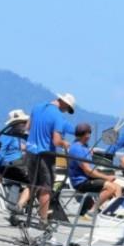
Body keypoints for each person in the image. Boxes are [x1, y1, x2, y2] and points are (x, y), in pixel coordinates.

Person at [25, 93, 75, 225]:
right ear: (64, 103)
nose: (66, 111)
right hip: (45, 155)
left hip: (30, 151)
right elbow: (56, 141)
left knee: (32, 184)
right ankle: (43, 220)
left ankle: (18, 206)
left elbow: (27, 127)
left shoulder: (37, 107)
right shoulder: (58, 116)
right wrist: (65, 143)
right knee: (45, 187)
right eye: (67, 108)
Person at [68, 123, 122, 215]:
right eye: (89, 133)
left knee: (118, 188)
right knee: (111, 187)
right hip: (81, 182)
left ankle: (113, 213)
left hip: (88, 179)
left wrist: (90, 151)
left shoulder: (84, 147)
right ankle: (92, 212)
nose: (90, 135)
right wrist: (106, 177)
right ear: (86, 134)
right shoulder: (77, 149)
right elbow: (88, 171)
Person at [0, 109, 31, 214]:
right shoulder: (6, 137)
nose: (25, 125)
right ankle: (18, 205)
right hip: (12, 166)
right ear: (16, 125)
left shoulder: (20, 138)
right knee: (36, 183)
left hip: (18, 166)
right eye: (23, 123)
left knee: (18, 181)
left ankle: (16, 204)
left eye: (25, 122)